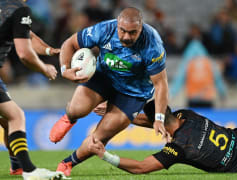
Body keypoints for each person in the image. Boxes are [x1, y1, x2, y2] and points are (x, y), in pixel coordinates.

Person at [50, 7, 169, 176]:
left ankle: (67, 163)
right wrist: (64, 69)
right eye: (123, 31)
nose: (127, 36)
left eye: (133, 32)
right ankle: (70, 117)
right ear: (117, 25)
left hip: (133, 93)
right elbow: (70, 43)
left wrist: (159, 118)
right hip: (104, 77)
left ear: (141, 28)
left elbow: (161, 84)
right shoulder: (104, 29)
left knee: (98, 139)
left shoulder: (152, 44)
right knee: (77, 108)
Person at [89, 100, 237, 173]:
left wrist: (105, 155)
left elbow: (142, 167)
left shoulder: (177, 149)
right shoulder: (187, 115)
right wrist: (120, 113)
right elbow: (156, 120)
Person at [0, 0, 65, 179]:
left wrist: (50, 51)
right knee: (16, 116)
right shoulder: (20, 9)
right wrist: (45, 69)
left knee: (8, 119)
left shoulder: (7, 8)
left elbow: (26, 35)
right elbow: (25, 53)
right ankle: (29, 170)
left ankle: (17, 167)